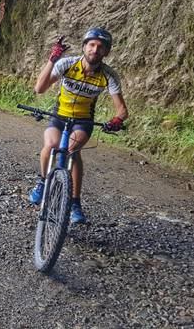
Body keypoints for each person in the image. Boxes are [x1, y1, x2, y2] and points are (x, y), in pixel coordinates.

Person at [29, 27, 129, 224]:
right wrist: (52, 60)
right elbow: (39, 88)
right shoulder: (67, 64)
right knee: (50, 146)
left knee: (72, 152)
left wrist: (117, 120)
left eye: (100, 47)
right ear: (84, 47)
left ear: (106, 52)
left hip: (83, 122)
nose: (95, 49)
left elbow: (122, 110)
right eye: (91, 45)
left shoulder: (108, 75)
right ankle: (42, 182)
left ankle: (74, 202)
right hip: (59, 116)